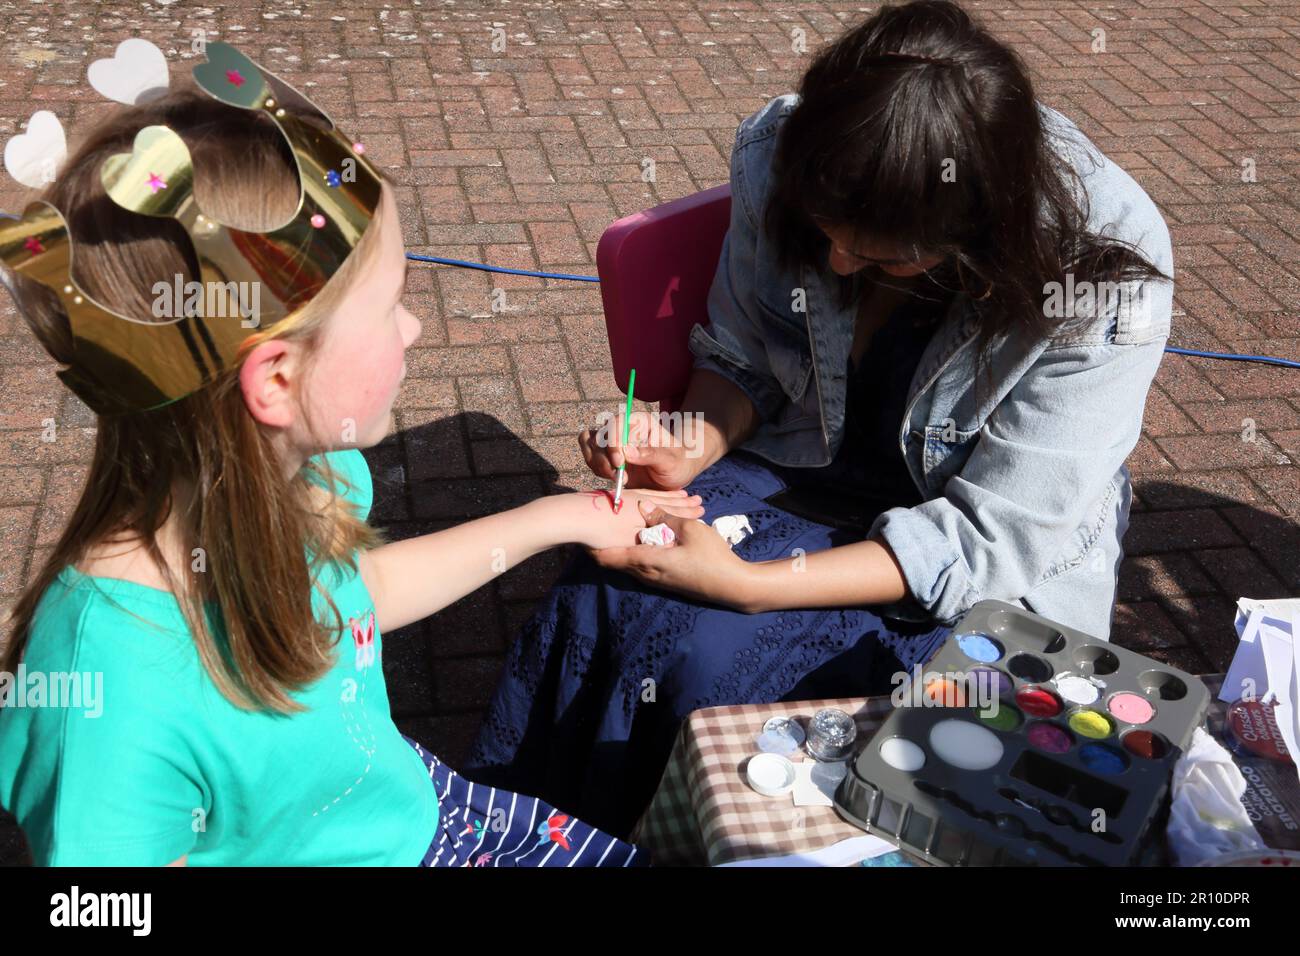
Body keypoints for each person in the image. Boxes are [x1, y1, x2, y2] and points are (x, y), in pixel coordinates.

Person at [467, 0, 1174, 836]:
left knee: (714, 664)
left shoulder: (1100, 272)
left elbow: (991, 541)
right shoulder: (785, 154)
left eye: (882, 259)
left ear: (978, 237)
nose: (839, 264)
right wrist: (687, 447)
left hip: (958, 538)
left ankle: (679, 844)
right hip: (807, 456)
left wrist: (753, 587)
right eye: (826, 237)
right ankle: (545, 840)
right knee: (604, 588)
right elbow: (744, 356)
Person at [0, 43, 704, 866]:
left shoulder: (302, 482)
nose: (414, 329)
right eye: (393, 305)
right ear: (277, 378)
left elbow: (352, 603)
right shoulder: (106, 700)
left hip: (420, 813)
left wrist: (562, 517)